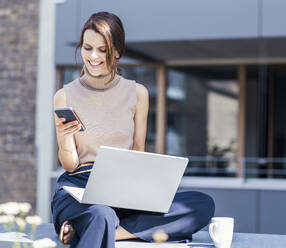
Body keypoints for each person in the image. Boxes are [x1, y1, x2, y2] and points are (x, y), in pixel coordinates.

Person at [51, 11, 215, 248]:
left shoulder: (137, 93)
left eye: (103, 49)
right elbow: (69, 165)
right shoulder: (64, 95)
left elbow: (137, 150)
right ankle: (103, 225)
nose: (93, 56)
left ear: (116, 51)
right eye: (87, 48)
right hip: (78, 187)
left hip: (121, 187)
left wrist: (144, 191)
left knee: (200, 204)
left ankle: (102, 231)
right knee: (101, 214)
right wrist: (66, 139)